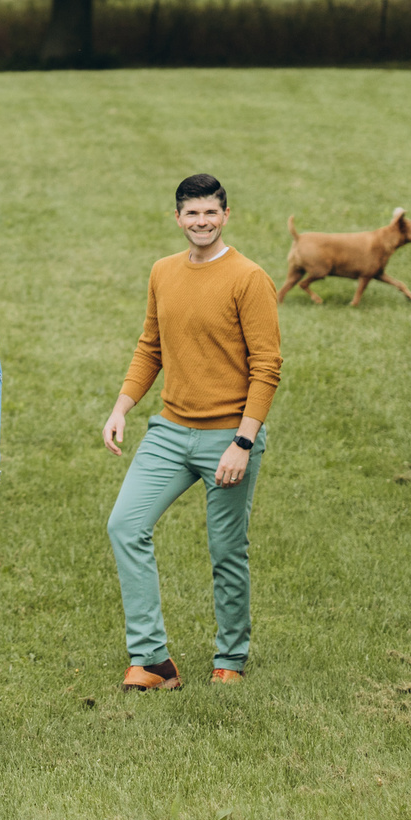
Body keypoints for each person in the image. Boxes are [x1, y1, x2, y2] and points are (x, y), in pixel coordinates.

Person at [99, 173, 283, 690]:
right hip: (170, 431)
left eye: (210, 213)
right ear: (177, 217)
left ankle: (232, 655)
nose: (201, 222)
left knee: (226, 548)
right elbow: (150, 346)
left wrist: (243, 442)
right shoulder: (163, 272)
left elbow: (267, 366)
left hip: (230, 434)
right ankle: (153, 660)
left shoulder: (249, 278)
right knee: (124, 525)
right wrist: (122, 406)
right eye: (191, 213)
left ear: (226, 216)